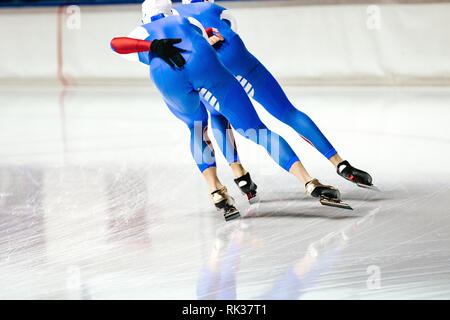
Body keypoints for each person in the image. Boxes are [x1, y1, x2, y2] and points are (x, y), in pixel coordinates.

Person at [110, 0, 351, 221]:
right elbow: (210, 35)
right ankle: (309, 181)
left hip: (167, 77)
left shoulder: (141, 31)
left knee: (196, 127)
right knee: (257, 130)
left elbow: (116, 44)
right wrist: (210, 36)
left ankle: (216, 191)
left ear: (144, 18)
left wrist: (151, 45)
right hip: (205, 65)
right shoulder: (188, 20)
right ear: (170, 11)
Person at [174, 0, 375, 189]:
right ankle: (340, 163)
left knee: (221, 117)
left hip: (207, 68)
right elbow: (231, 24)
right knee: (288, 112)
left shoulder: (176, 18)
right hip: (235, 53)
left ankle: (239, 175)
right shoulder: (213, 7)